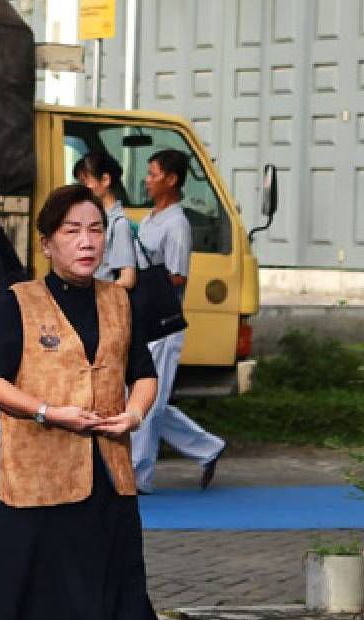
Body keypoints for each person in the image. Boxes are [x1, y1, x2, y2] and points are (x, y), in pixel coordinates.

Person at [0, 183, 177, 620]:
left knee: (121, 592)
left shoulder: (120, 300)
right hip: (36, 474)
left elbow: (142, 373)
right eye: (72, 232)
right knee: (23, 589)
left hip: (107, 474)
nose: (87, 243)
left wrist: (133, 415)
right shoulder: (19, 301)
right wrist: (46, 411)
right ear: (47, 243)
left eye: (95, 230)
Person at [130, 149, 226, 493]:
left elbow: (177, 277)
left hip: (164, 323)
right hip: (143, 319)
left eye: (154, 174)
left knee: (149, 400)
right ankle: (208, 447)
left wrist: (139, 281)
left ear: (171, 180)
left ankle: (138, 475)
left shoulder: (177, 225)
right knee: (141, 396)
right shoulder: (150, 219)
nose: (148, 179)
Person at [73, 152, 138, 289]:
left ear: (105, 180)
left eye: (85, 182)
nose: (81, 188)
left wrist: (100, 295)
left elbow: (127, 278)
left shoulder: (119, 224)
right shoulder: (94, 218)